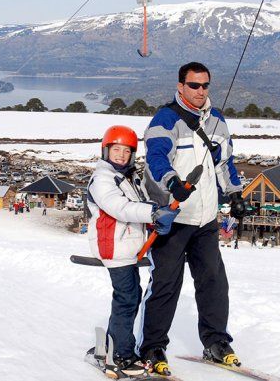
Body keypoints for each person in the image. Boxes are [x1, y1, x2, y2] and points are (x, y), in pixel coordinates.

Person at [138, 62, 249, 374]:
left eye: (205, 85)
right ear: (181, 86)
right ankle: (152, 347)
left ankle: (216, 342)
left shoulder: (217, 120)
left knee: (213, 282)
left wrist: (235, 194)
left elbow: (225, 162)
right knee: (165, 285)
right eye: (194, 85)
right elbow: (156, 157)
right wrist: (172, 182)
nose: (201, 91)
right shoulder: (166, 118)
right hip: (173, 218)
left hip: (205, 219)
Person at [86, 125, 179, 379]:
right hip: (113, 246)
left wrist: (158, 214)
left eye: (126, 151)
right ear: (106, 151)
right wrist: (152, 213)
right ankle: (120, 355)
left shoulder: (130, 177)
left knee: (130, 296)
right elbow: (119, 207)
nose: (121, 155)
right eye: (116, 149)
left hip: (128, 247)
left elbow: (142, 203)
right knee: (127, 298)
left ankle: (112, 345)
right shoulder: (103, 179)